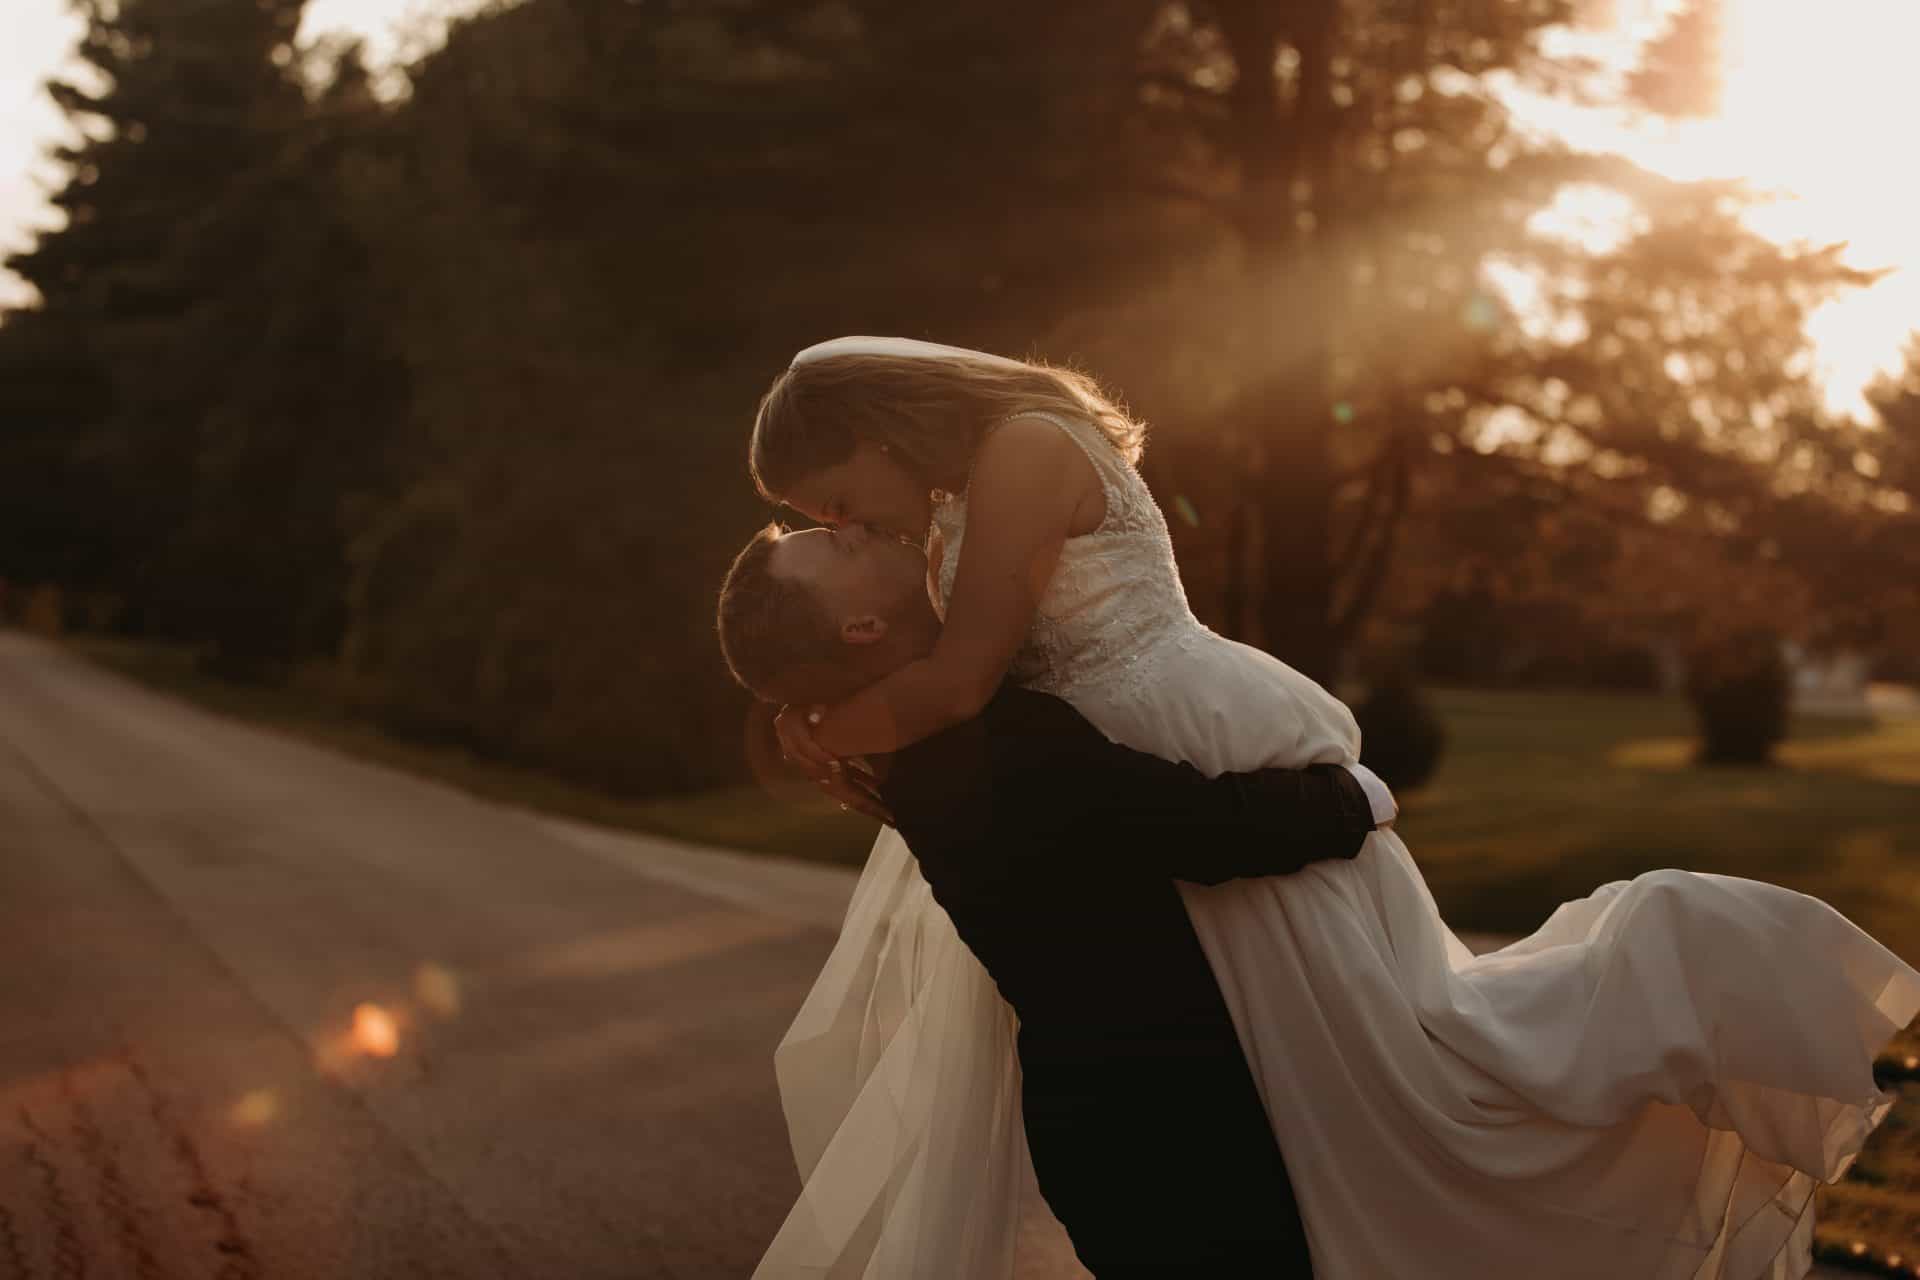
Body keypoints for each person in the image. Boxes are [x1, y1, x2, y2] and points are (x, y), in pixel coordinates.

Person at [743, 336, 1920, 1279]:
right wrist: (824, 708)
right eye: (830, 524)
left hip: (1187, 731)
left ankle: (1680, 986)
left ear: (877, 431)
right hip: (1142, 757)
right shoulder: (957, 496)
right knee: (1329, 1078)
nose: (851, 526)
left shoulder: (1020, 451)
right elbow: (968, 696)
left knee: (1387, 1061)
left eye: (839, 501)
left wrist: (823, 727)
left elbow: (961, 679)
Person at [718, 521, 1394, 1275]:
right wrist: (1354, 796)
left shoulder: (929, 736)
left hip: (1115, 1111)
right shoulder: (979, 752)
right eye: (840, 546)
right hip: (1156, 1126)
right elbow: (1199, 827)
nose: (858, 529)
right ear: (862, 627)